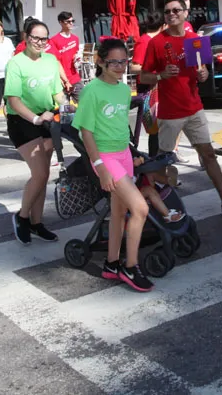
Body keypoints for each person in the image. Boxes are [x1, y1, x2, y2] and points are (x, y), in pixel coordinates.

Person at [139, 0, 222, 216]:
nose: (171, 14)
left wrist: (204, 74)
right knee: (163, 161)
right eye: (167, 12)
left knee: (208, 154)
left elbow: (203, 71)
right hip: (170, 112)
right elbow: (144, 76)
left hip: (194, 108)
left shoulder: (194, 40)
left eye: (176, 10)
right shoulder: (157, 43)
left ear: (185, 14)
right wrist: (161, 75)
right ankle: (157, 207)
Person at [73, 38, 155, 292]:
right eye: (114, 62)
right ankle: (130, 267)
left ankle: (111, 264)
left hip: (123, 155)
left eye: (124, 61)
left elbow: (120, 125)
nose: (120, 67)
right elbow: (85, 132)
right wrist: (100, 167)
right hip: (106, 158)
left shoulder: (123, 89)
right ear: (100, 62)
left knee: (119, 213)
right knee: (140, 208)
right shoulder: (92, 91)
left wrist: (132, 154)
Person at [4, 18, 66, 245]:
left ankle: (37, 223)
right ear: (26, 37)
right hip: (23, 121)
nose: (40, 42)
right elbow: (13, 99)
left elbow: (57, 93)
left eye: (44, 39)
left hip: (48, 119)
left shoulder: (50, 60)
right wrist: (35, 118)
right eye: (35, 38)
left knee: (44, 175)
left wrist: (67, 106)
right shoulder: (16, 63)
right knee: (39, 174)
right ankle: (22, 217)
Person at [130, 13, 164, 156]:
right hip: (148, 89)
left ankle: (159, 160)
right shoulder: (144, 41)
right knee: (155, 130)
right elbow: (134, 67)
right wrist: (156, 71)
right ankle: (154, 160)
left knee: (162, 128)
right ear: (163, 26)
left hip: (158, 87)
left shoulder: (156, 40)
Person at [50, 11, 84, 101]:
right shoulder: (54, 40)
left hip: (75, 77)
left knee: (84, 103)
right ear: (61, 22)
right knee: (65, 107)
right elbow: (54, 61)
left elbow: (76, 54)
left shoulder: (75, 38)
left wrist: (78, 59)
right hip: (61, 80)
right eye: (68, 21)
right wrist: (61, 79)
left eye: (72, 21)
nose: (71, 23)